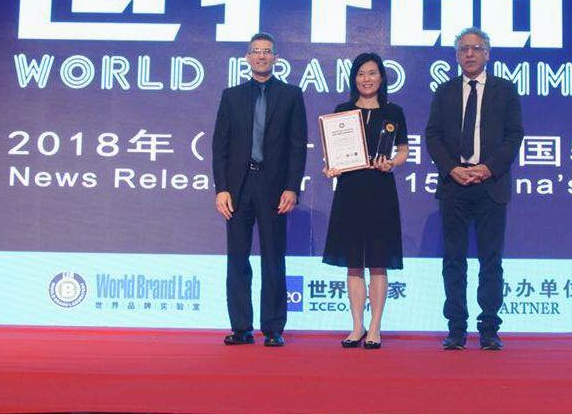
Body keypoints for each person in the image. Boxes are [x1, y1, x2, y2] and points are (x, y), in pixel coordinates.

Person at [425, 27, 523, 351]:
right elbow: (433, 135)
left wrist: (489, 168)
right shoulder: (445, 91)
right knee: (453, 260)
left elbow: (514, 135)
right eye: (463, 49)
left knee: (490, 260)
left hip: (491, 184)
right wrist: (452, 168)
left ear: (487, 54)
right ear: (456, 56)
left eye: (476, 48)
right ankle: (456, 329)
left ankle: (489, 329)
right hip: (454, 185)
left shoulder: (504, 90)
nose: (469, 54)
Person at [212, 32, 308, 347]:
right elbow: (220, 147)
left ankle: (273, 327)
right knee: (237, 258)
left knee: (273, 258)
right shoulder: (232, 96)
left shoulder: (291, 95)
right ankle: (241, 327)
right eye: (256, 51)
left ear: (275, 58)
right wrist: (222, 188)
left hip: (274, 188)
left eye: (267, 51)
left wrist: (292, 187)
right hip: (238, 189)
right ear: (247, 58)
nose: (262, 56)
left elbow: (297, 146)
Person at [320, 53, 408, 350]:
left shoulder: (394, 112)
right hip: (349, 191)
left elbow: (403, 150)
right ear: (353, 78)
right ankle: (357, 326)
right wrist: (331, 166)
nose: (366, 79)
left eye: (372, 73)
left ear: (381, 77)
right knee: (354, 263)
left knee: (378, 263)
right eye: (360, 73)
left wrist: (392, 163)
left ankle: (375, 327)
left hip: (381, 190)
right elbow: (333, 153)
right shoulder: (342, 111)